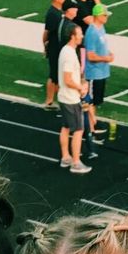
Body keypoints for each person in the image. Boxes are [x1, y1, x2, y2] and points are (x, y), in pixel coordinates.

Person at [57, 23, 91, 176]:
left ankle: (66, 157)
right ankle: (76, 162)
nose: (82, 36)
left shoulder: (65, 50)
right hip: (71, 98)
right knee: (78, 130)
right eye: (80, 33)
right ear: (73, 35)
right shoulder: (70, 55)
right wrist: (81, 87)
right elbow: (68, 79)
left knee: (65, 127)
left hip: (63, 96)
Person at [83, 4, 114, 135]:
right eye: (104, 15)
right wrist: (106, 58)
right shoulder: (92, 32)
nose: (106, 17)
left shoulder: (101, 28)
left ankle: (92, 124)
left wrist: (109, 53)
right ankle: (90, 127)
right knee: (91, 102)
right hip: (94, 72)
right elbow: (90, 55)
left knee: (96, 101)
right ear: (98, 16)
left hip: (101, 71)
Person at [43, 0, 68, 108]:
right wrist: (46, 46)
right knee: (54, 75)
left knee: (57, 75)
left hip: (58, 47)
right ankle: (49, 100)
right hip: (54, 48)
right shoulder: (53, 14)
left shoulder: (58, 12)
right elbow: (46, 33)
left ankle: (56, 99)